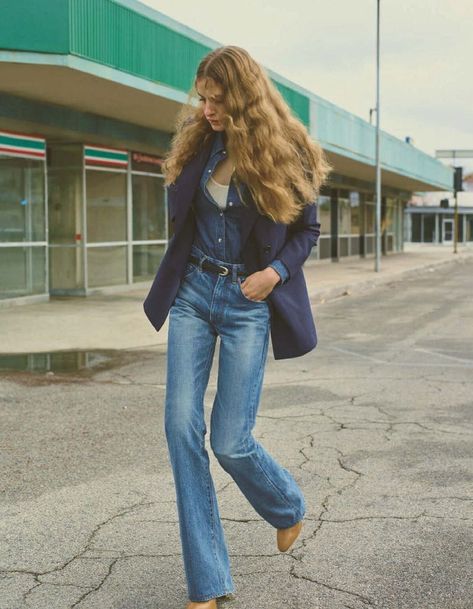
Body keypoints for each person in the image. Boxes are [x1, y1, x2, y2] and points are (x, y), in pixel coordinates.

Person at [143, 45, 332, 608]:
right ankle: (207, 584)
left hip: (249, 300)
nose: (206, 109)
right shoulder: (202, 141)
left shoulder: (286, 150)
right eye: (202, 98)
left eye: (218, 100)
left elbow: (307, 232)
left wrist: (273, 274)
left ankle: (286, 505)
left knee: (230, 440)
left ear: (244, 97)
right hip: (194, 295)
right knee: (181, 429)